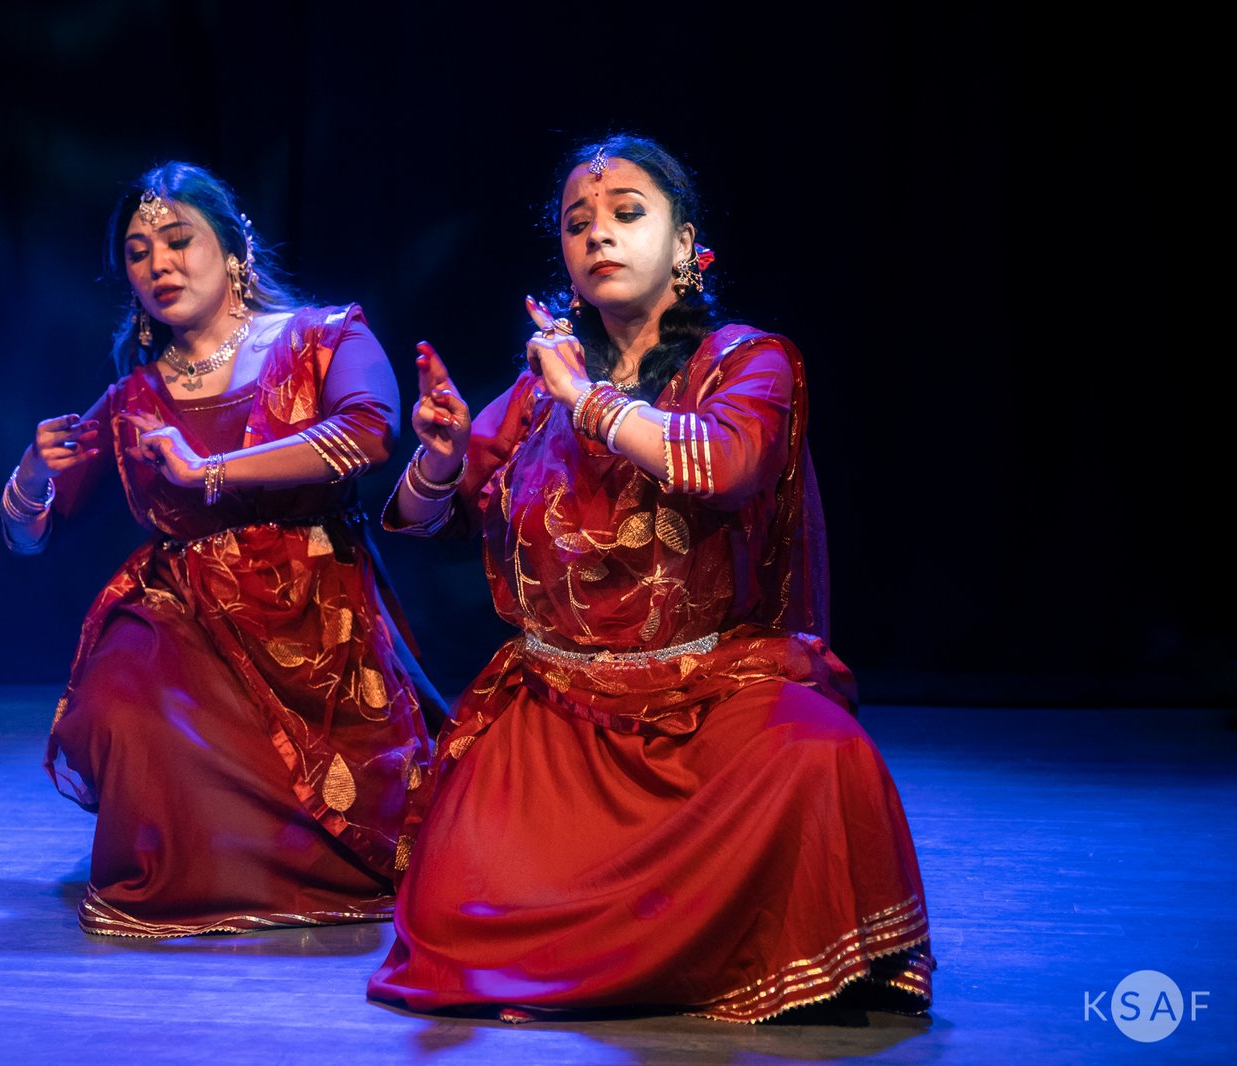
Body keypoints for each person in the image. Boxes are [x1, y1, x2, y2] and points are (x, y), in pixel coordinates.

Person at [366, 134, 933, 1022]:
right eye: (577, 223)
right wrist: (439, 457)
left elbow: (725, 463)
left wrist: (588, 401)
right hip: (555, 712)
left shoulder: (747, 361)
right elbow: (424, 518)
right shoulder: (542, 386)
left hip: (704, 703)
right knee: (450, 916)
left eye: (627, 214)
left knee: (824, 758)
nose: (598, 234)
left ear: (686, 245)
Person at [0, 160, 436, 938]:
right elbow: (31, 539)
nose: (158, 265)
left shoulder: (323, 336)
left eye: (178, 241)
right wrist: (32, 474)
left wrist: (210, 471)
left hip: (315, 614)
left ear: (235, 252)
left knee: (388, 803)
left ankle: (273, 863)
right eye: (138, 253)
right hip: (183, 614)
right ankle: (189, 874)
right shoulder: (133, 398)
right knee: (120, 707)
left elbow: (369, 434)